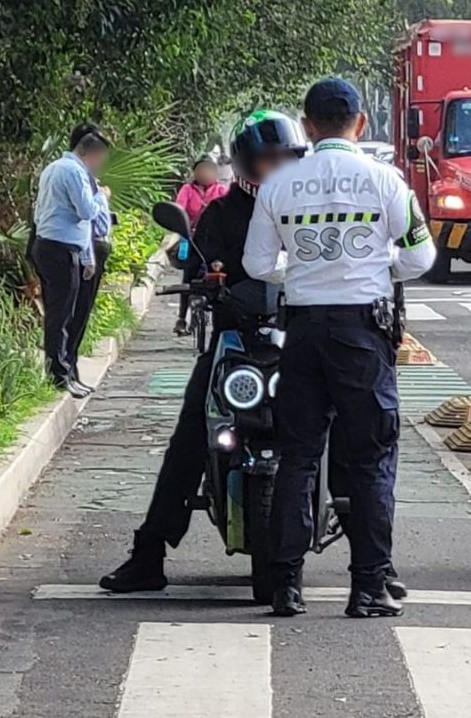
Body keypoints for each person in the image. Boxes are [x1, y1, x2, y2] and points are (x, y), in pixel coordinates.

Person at [243, 78, 436, 618]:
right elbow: (420, 259)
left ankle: (285, 585)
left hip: (301, 331)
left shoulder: (280, 185)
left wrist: (301, 273)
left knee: (296, 456)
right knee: (372, 458)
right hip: (363, 330)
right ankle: (368, 587)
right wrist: (375, 267)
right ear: (361, 124)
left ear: (306, 126)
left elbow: (258, 265)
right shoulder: (385, 181)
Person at [99, 111, 309, 594]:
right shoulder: (220, 211)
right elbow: (193, 259)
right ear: (245, 163)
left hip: (296, 337)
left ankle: (374, 562)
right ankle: (148, 553)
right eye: (265, 160)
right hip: (234, 338)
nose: (275, 168)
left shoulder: (310, 205)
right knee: (191, 432)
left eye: (285, 158)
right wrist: (200, 274)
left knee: (349, 429)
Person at [32, 127, 112, 398]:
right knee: (61, 314)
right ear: (88, 152)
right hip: (59, 249)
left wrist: (87, 257)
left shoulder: (53, 168)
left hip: (56, 246)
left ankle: (64, 370)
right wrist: (102, 196)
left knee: (64, 313)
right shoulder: (75, 172)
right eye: (99, 156)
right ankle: (58, 373)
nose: (100, 163)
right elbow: (87, 211)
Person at [63, 124, 114, 392]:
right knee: (75, 312)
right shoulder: (75, 175)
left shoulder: (85, 176)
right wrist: (102, 197)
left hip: (94, 246)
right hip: (87, 247)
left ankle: (72, 367)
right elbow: (85, 217)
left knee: (82, 313)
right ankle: (66, 368)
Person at [173, 155, 231, 336]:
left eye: (209, 169)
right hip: (193, 238)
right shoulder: (187, 190)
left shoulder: (222, 191)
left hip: (216, 241)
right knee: (189, 276)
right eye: (202, 169)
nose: (205, 173)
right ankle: (182, 318)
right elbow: (179, 209)